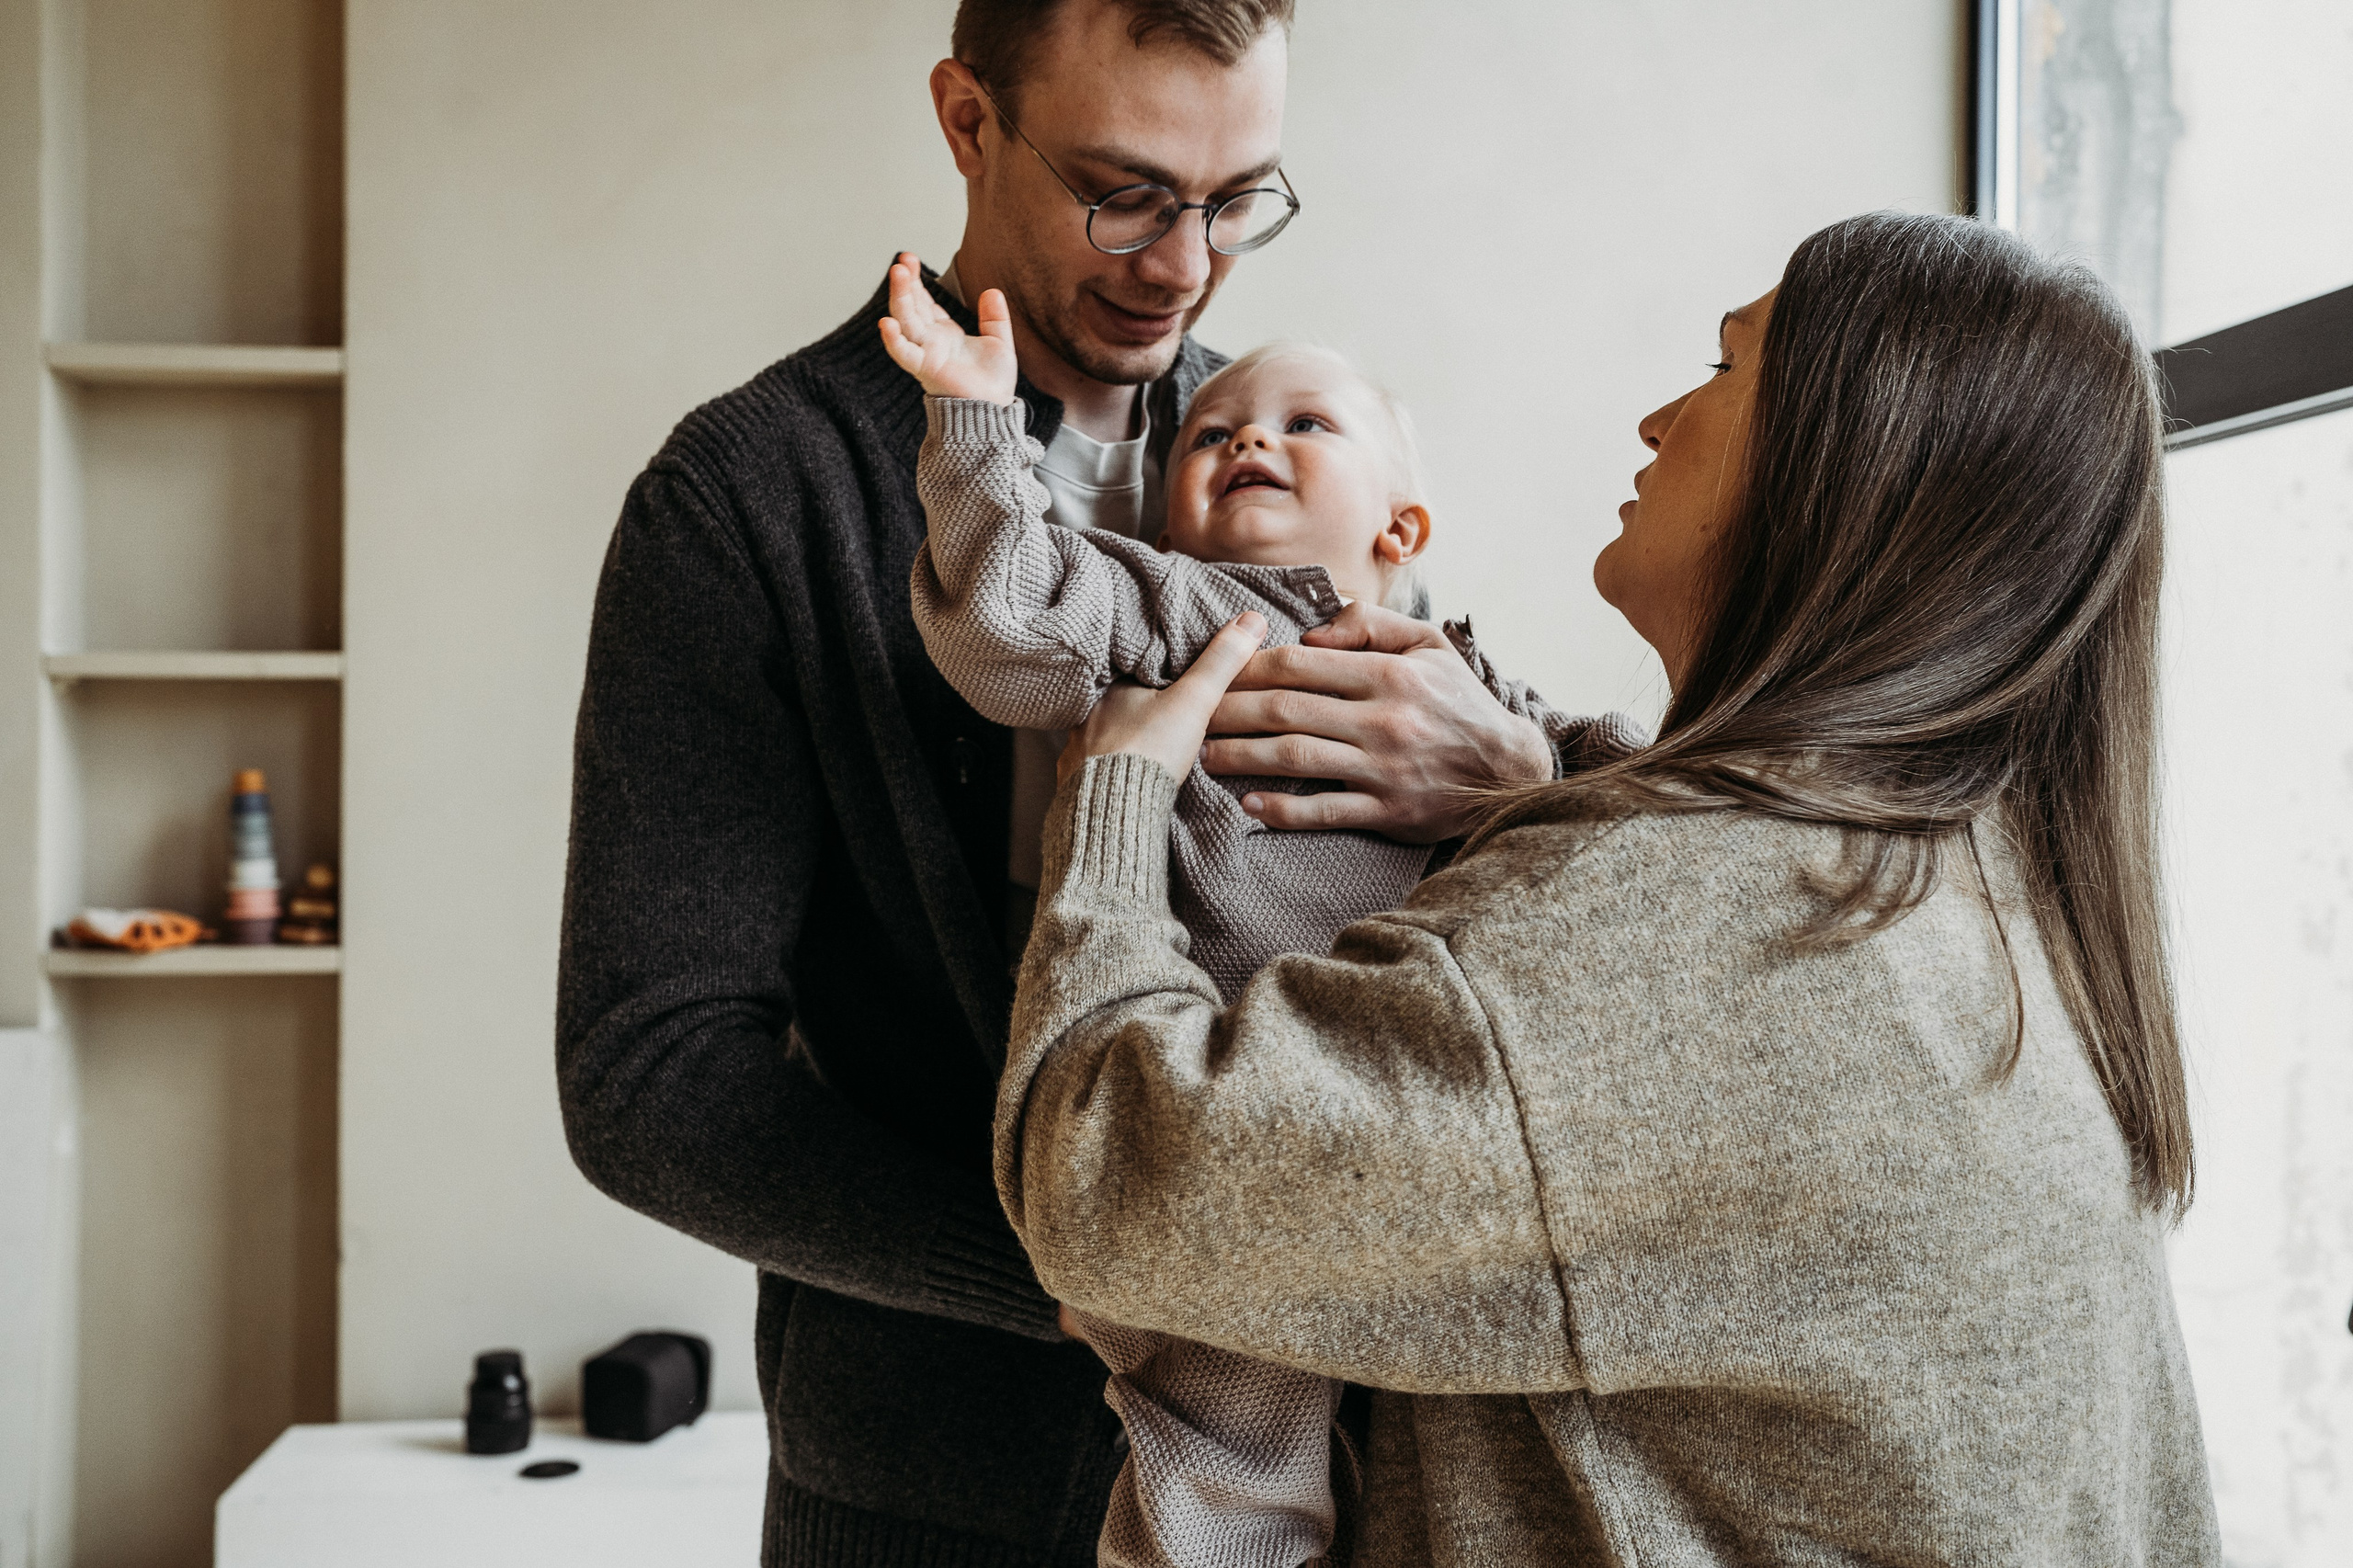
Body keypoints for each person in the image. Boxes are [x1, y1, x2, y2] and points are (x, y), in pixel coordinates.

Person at [995, 211, 2224, 1564]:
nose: (1655, 419)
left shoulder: (1692, 940)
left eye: (1719, 369)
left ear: (1847, 467)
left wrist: (1112, 799)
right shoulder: (1972, 883)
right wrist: (1538, 780)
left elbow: (1110, 1180)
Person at [556, 3, 1555, 1563]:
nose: (1185, 265)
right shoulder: (747, 496)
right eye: (1127, 192)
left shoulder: (1294, 448)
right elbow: (651, 1079)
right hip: (916, 1496)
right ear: (967, 121)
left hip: (1342, 1474)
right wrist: (1102, 1256)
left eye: (1238, 201)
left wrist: (1516, 777)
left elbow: (1447, 901)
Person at [882, 263, 1638, 1567]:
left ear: (1401, 532)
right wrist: (976, 429)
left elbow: (1638, 791)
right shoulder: (1165, 610)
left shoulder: (1464, 678)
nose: (1247, 441)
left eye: (1304, 424)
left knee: (1451, 1455)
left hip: (1404, 1129)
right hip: (1217, 1133)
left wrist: (1550, 755)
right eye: (1214, 435)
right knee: (1229, 1459)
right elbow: (1006, 617)